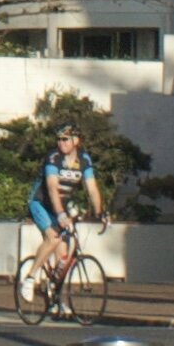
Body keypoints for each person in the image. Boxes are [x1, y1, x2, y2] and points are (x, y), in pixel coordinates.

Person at [25, 122, 104, 301]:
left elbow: (92, 188)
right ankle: (30, 278)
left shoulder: (84, 160)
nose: (61, 143)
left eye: (65, 139)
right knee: (52, 238)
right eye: (59, 139)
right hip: (41, 203)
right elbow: (52, 188)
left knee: (64, 256)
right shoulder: (53, 158)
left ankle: (55, 297)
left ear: (76, 141)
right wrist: (61, 215)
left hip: (61, 205)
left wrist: (100, 212)